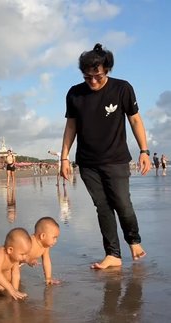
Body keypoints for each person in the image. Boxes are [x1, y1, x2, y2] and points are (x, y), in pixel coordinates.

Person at [59, 43, 150, 270]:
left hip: (117, 159)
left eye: (97, 76)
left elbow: (135, 120)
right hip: (88, 163)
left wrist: (144, 151)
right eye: (87, 76)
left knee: (123, 204)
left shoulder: (122, 89)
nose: (92, 81)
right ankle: (113, 254)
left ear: (106, 69)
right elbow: (71, 127)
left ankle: (134, 241)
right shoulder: (74, 93)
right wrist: (64, 158)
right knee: (103, 207)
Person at [24, 217, 61, 285]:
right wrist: (29, 260)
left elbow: (46, 261)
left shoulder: (45, 246)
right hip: (12, 261)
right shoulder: (30, 242)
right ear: (43, 236)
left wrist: (48, 278)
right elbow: (19, 254)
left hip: (18, 265)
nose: (56, 241)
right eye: (54, 238)